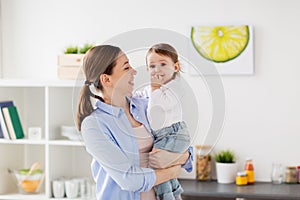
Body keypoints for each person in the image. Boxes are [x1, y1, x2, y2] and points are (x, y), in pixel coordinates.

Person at [76, 45, 193, 200]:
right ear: (106, 79)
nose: (134, 71)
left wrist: (176, 159)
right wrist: (172, 171)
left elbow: (186, 148)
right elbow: (130, 180)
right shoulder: (94, 125)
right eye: (126, 68)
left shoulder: (145, 105)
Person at [145, 43, 191, 200]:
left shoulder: (175, 87)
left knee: (157, 166)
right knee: (166, 168)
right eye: (152, 66)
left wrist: (155, 87)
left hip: (173, 133)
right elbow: (147, 99)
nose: (157, 69)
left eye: (163, 64)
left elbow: (159, 106)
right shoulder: (155, 89)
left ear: (176, 67)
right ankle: (174, 192)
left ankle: (166, 196)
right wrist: (153, 89)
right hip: (166, 134)